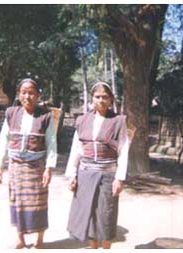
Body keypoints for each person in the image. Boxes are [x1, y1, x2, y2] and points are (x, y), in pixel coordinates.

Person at [65, 81, 130, 249]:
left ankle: (106, 246)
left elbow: (123, 150)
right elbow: (76, 149)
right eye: (97, 97)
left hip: (107, 175)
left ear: (111, 100)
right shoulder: (82, 120)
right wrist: (72, 175)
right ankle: (93, 246)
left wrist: (119, 179)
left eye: (105, 97)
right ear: (91, 98)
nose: (101, 100)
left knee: (106, 214)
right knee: (89, 213)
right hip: (85, 174)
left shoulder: (118, 121)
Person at [0, 78, 57, 249]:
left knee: (39, 201)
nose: (27, 96)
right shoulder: (11, 113)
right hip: (16, 166)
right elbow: (3, 140)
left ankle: (39, 239)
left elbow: (52, 144)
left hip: (37, 167)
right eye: (24, 92)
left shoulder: (45, 116)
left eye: (31, 93)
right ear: (19, 94)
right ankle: (20, 238)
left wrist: (49, 168)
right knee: (17, 202)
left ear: (37, 95)